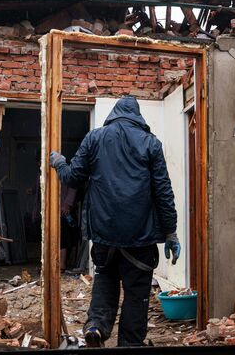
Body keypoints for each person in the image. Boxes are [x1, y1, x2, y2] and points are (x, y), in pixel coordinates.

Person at [49, 95, 180, 347]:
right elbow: (163, 190)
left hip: (104, 233)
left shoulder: (94, 138)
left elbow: (74, 176)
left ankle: (97, 326)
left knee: (105, 277)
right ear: (138, 117)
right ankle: (129, 344)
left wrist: (59, 162)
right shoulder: (151, 143)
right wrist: (170, 231)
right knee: (136, 292)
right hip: (140, 236)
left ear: (114, 114)